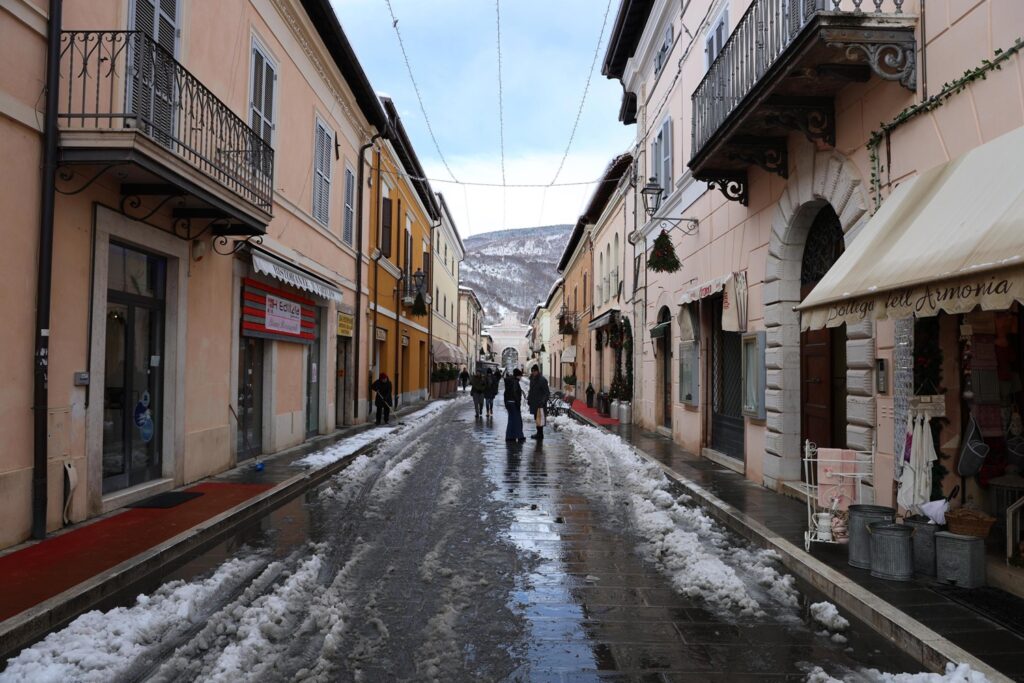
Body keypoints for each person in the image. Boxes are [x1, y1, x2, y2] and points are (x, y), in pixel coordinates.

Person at [527, 364, 550, 441]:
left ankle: (540, 434)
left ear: (537, 371)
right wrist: (529, 399)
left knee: (540, 419)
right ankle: (539, 433)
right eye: (532, 371)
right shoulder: (532, 379)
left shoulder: (542, 380)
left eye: (534, 371)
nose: (533, 373)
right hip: (534, 402)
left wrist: (543, 401)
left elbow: (547, 393)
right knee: (536, 419)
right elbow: (531, 391)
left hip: (540, 403)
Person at [504, 369, 525, 442]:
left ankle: (510, 436)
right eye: (520, 376)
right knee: (517, 420)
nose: (521, 377)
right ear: (517, 376)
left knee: (511, 419)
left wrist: (506, 402)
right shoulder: (515, 382)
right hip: (514, 403)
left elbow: (505, 393)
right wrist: (518, 403)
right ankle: (520, 436)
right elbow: (515, 393)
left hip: (508, 402)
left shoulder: (509, 381)